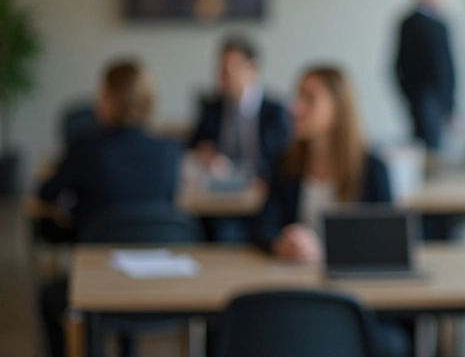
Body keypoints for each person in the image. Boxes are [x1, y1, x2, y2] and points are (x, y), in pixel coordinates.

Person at [253, 66, 409, 357]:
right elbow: (264, 226)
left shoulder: (373, 169)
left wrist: (325, 252)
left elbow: (387, 243)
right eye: (297, 96)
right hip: (294, 293)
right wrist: (281, 243)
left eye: (309, 98)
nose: (295, 107)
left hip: (359, 302)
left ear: (338, 108)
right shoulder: (285, 164)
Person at [38, 60, 180, 357]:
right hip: (157, 279)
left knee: (48, 296)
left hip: (97, 277)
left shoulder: (86, 147)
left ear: (109, 99)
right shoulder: (169, 151)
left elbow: (47, 192)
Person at [188, 34, 290, 241]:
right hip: (219, 196)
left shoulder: (276, 112)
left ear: (253, 69)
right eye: (221, 69)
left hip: (260, 198)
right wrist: (204, 152)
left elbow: (283, 159)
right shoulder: (212, 107)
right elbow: (194, 144)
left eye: (231, 68)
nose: (224, 76)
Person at [394, 0, 456, 151]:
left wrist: (451, 105)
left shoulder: (441, 23)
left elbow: (448, 67)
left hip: (438, 98)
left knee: (435, 148)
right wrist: (410, 95)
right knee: (426, 148)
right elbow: (398, 64)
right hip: (422, 97)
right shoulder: (410, 23)